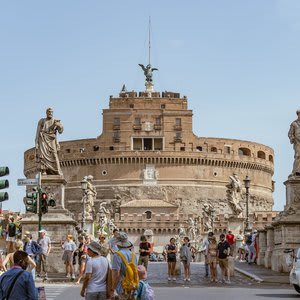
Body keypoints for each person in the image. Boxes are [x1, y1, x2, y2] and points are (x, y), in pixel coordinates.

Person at [35, 107, 64, 175]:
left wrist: (59, 126)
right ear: (46, 113)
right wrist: (36, 142)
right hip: (42, 139)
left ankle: (57, 171)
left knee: (54, 155)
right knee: (43, 156)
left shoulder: (55, 121)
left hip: (51, 140)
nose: (50, 113)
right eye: (49, 112)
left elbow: (61, 131)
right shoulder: (42, 121)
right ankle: (44, 170)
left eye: (51, 112)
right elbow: (37, 132)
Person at [112, 232, 138, 299]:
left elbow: (116, 274)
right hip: (132, 286)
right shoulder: (133, 255)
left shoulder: (117, 255)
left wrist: (112, 289)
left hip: (122, 286)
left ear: (118, 244)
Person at [288, 109, 300, 177]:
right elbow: (290, 133)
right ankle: (296, 171)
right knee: (298, 156)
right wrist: (292, 138)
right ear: (298, 115)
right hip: (297, 142)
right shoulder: (294, 124)